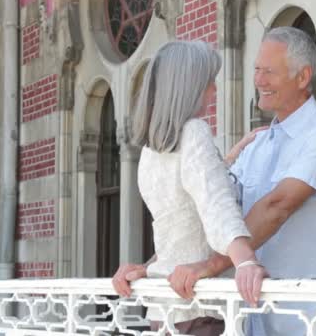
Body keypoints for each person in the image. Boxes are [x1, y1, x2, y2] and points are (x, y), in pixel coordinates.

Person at [168, 27, 316, 336]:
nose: (258, 80)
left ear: (303, 76)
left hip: (312, 321)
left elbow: (277, 206)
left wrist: (210, 267)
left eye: (269, 71)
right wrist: (149, 266)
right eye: (256, 69)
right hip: (256, 321)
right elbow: (216, 210)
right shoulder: (256, 146)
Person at [111, 40, 267, 335]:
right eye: (208, 82)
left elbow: (182, 219)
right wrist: (246, 262)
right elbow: (216, 206)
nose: (214, 90)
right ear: (188, 86)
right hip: (198, 309)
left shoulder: (151, 150)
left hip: (163, 310)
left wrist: (147, 267)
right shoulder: (195, 132)